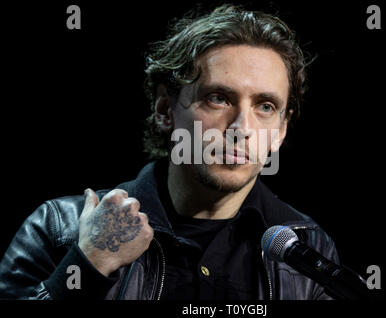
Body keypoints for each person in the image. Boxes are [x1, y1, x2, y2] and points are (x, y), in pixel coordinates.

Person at [0, 4, 340, 300]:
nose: (241, 129)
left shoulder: (309, 248)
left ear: (280, 130)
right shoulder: (60, 228)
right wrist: (90, 263)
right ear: (165, 109)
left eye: (265, 106)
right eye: (218, 98)